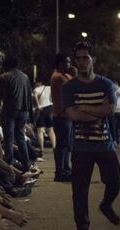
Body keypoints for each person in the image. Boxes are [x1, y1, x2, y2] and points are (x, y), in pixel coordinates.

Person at [62, 41, 120, 230]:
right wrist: (97, 110)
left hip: (104, 143)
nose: (81, 62)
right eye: (77, 58)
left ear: (93, 60)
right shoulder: (69, 86)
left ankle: (106, 204)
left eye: (85, 58)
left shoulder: (105, 83)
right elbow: (72, 115)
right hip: (80, 146)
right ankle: (82, 229)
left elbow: (110, 110)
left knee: (115, 180)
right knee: (79, 190)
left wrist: (85, 108)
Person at [0, 55, 33, 173]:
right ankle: (26, 164)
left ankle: (9, 165)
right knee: (21, 137)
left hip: (9, 111)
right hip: (24, 111)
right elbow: (29, 95)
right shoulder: (25, 77)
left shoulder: (4, 77)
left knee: (9, 139)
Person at [50, 53, 73, 182]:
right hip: (61, 115)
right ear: (60, 63)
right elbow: (74, 86)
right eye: (67, 62)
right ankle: (60, 171)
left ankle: (65, 168)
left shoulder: (65, 76)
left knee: (66, 144)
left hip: (66, 115)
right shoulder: (58, 77)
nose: (69, 64)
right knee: (62, 145)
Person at [33, 80, 56, 160]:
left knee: (40, 131)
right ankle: (54, 148)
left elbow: (35, 95)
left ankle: (42, 150)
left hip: (41, 109)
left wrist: (38, 105)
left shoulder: (36, 89)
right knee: (51, 130)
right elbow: (54, 95)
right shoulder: (49, 88)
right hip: (50, 108)